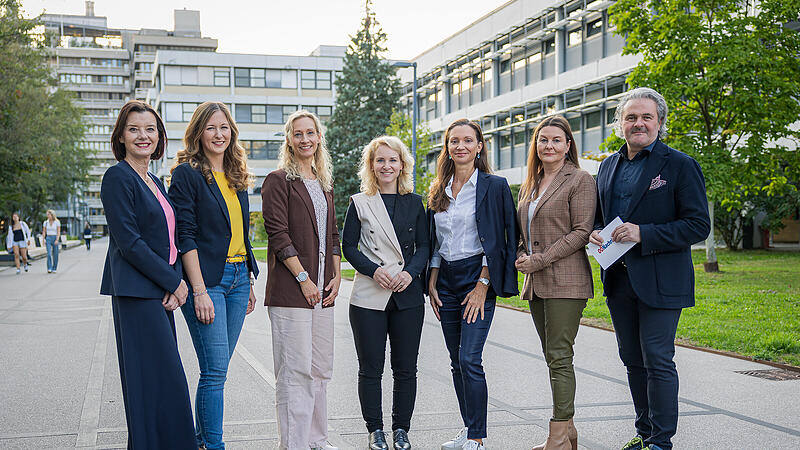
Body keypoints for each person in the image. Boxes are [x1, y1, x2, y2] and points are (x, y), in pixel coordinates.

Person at [589, 88, 710, 450]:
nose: (638, 123)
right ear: (620, 124)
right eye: (630, 117)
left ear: (659, 122)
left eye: (646, 117)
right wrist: (595, 230)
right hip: (619, 277)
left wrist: (645, 233)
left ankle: (661, 441)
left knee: (657, 357)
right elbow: (601, 216)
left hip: (662, 280)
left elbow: (698, 225)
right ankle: (643, 434)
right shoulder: (608, 166)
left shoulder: (679, 165)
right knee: (631, 359)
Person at [100, 100, 196, 449]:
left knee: (164, 380)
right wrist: (175, 282)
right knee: (151, 381)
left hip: (159, 293)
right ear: (121, 137)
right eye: (134, 129)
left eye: (150, 129)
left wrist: (174, 283)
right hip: (137, 294)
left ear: (160, 136)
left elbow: (168, 239)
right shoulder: (117, 177)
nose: (143, 136)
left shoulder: (154, 179)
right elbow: (130, 242)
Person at [168, 101, 260, 450]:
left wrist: (248, 279)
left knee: (215, 371)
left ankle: (201, 441)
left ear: (231, 132)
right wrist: (199, 291)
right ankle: (213, 445)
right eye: (211, 127)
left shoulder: (236, 174)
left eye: (224, 127)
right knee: (215, 370)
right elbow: (185, 235)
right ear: (198, 133)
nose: (218, 134)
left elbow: (240, 231)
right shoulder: (187, 174)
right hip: (207, 283)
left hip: (238, 278)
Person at [427, 119, 519, 450]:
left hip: (477, 276)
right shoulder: (438, 187)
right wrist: (433, 277)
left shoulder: (495, 186)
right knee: (455, 360)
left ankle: (478, 437)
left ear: (479, 146)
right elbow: (435, 239)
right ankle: (467, 431)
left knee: (469, 359)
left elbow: (504, 239)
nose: (461, 146)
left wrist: (483, 283)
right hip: (447, 279)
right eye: (454, 141)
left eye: (468, 140)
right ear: (447, 147)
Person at [342, 136, 430, 450]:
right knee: (370, 367)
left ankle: (402, 429)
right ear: (371, 165)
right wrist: (373, 269)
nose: (386, 166)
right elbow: (348, 246)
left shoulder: (415, 201)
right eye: (380, 160)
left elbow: (424, 246)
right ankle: (375, 430)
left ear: (402, 164)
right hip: (369, 292)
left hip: (407, 293)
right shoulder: (360, 201)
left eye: (392, 160)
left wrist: (409, 273)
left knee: (406, 368)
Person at [261, 110, 342, 450]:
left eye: (311, 133)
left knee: (320, 369)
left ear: (319, 137)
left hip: (323, 291)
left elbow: (333, 235)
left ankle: (317, 440)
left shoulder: (324, 184)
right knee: (295, 374)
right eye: (298, 134)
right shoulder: (278, 180)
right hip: (292, 292)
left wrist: (336, 274)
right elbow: (278, 235)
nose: (305, 139)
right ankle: (294, 444)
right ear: (289, 140)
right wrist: (305, 278)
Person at [515, 116, 596, 450]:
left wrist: (538, 260)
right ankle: (570, 431)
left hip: (567, 281)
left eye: (556, 140)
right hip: (537, 283)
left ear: (568, 145)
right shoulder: (530, 184)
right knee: (553, 357)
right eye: (542, 140)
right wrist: (522, 253)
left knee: (560, 357)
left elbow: (581, 232)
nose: (548, 146)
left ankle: (557, 437)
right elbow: (526, 231)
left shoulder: (579, 179)